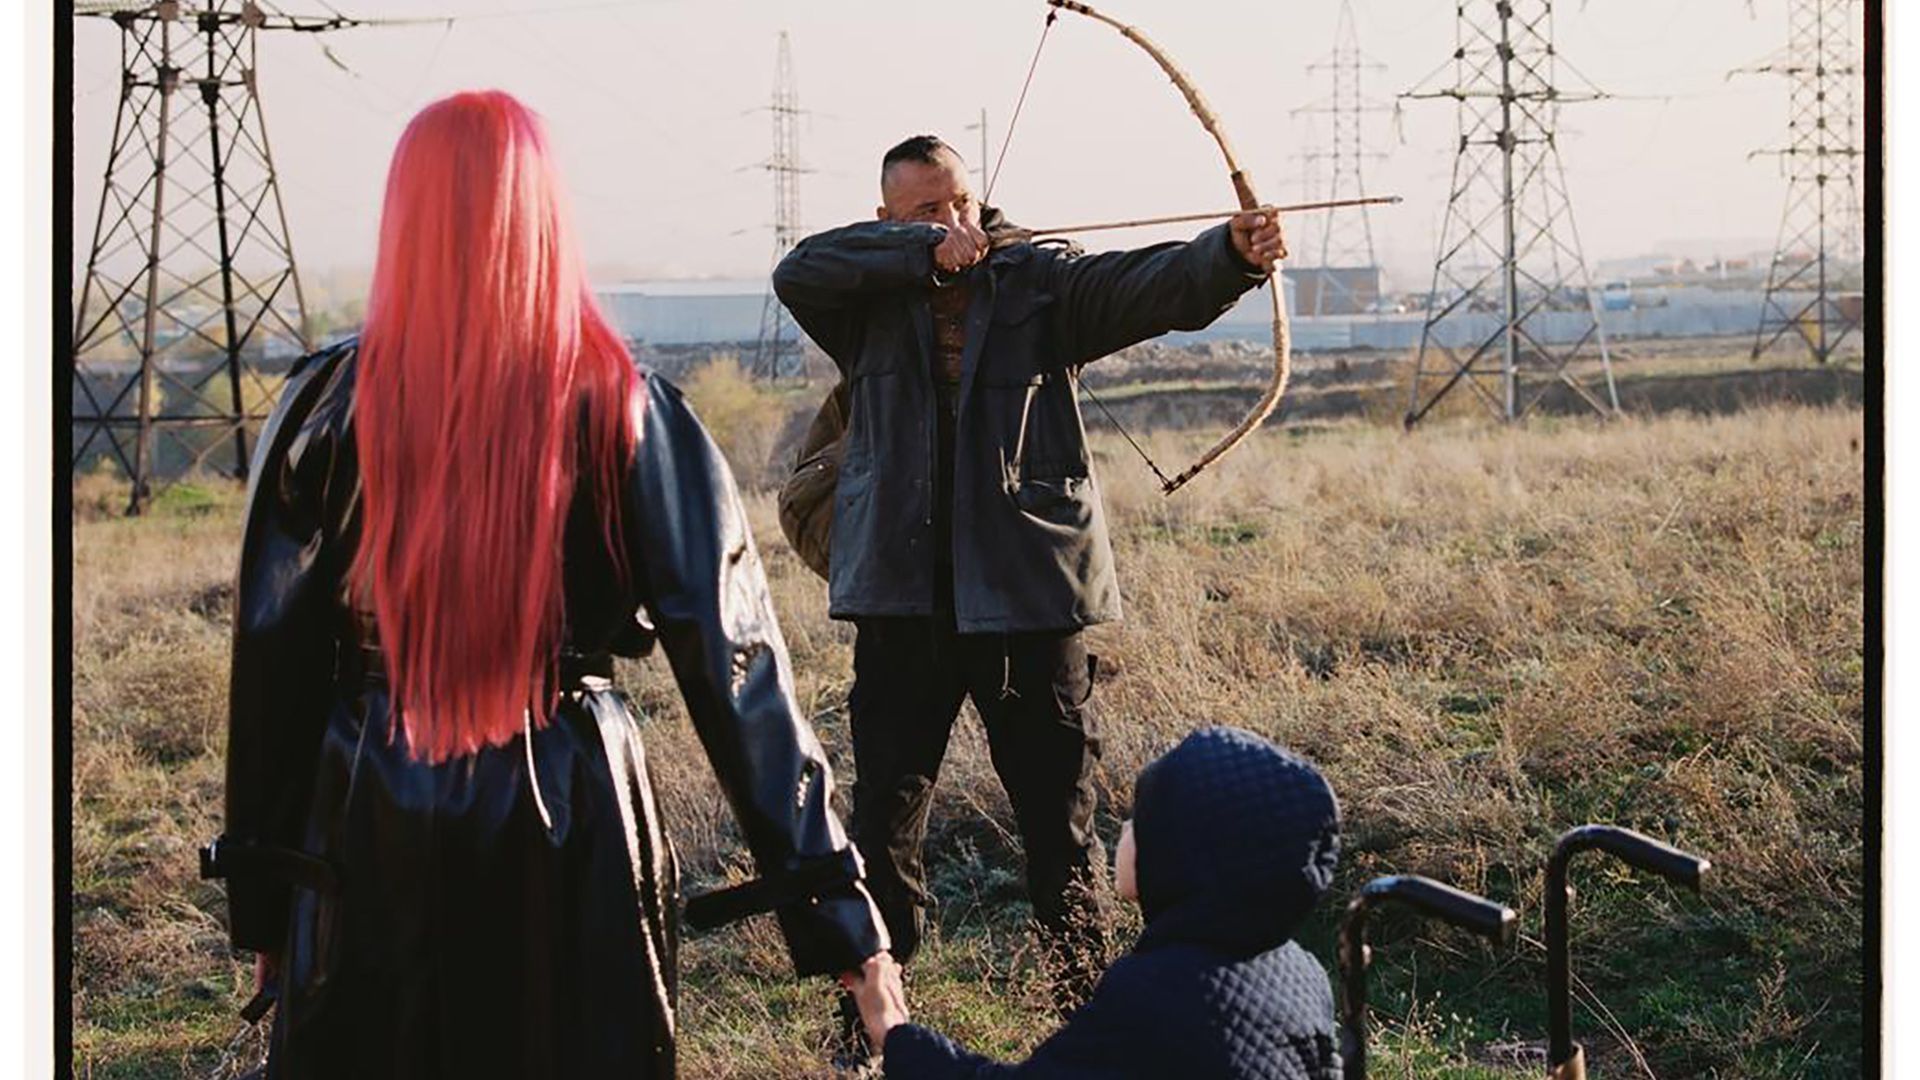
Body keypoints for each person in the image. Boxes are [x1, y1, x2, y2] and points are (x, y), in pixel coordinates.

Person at [204, 90, 891, 1079]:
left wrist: (269, 902)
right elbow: (737, 670)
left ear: (405, 215)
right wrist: (838, 911)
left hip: (368, 803)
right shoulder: (628, 408)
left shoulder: (324, 403)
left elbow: (271, 668)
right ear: (543, 214)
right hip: (574, 804)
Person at [771, 135, 1287, 1013]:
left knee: (1060, 820)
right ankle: (870, 1024)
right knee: (883, 822)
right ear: (888, 219)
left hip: (1027, 597)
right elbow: (799, 269)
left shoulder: (1039, 280)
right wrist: (921, 252)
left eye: (960, 201)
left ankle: (1089, 1014)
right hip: (902, 601)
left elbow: (1148, 285)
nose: (953, 218)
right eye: (927, 209)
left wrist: (1230, 256)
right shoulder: (860, 298)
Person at [845, 726, 1345, 1079]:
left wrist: (895, 1033)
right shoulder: (1301, 974)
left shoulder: (1153, 995)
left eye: (1142, 819)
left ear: (1184, 855)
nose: (1124, 828)